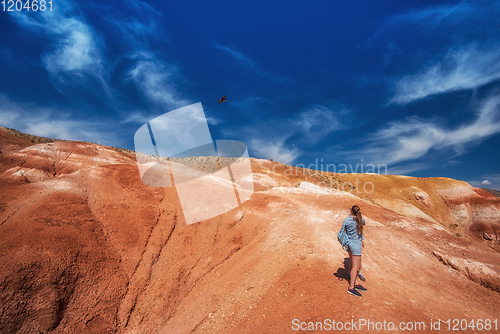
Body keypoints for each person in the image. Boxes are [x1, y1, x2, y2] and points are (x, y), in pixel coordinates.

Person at [342, 205, 367, 297]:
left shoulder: (346, 220)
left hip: (348, 243)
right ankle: (351, 287)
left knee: (352, 263)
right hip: (356, 244)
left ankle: (356, 283)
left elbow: (344, 229)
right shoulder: (360, 220)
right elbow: (363, 223)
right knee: (356, 267)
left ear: (351, 211)